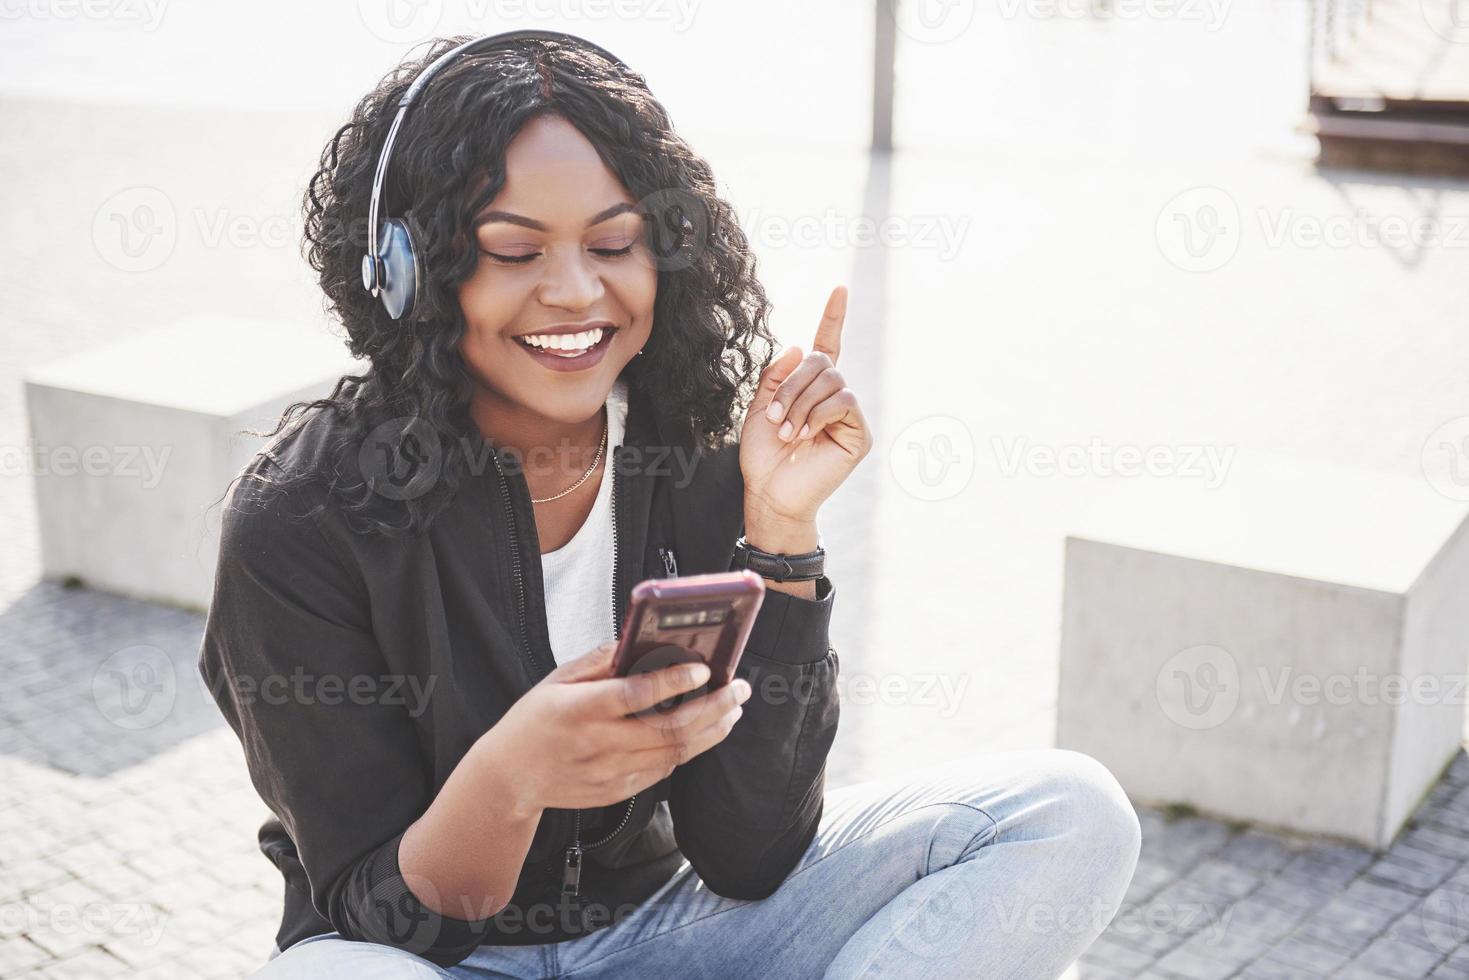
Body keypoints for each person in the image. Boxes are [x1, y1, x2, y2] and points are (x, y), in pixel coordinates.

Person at [198, 31, 1140, 979]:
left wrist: (779, 534)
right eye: (514, 250)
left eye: (615, 243)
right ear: (401, 273)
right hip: (436, 958)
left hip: (663, 932)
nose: (576, 292)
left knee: (1068, 811)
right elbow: (382, 916)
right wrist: (511, 777)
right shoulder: (301, 520)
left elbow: (749, 857)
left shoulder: (687, 456)